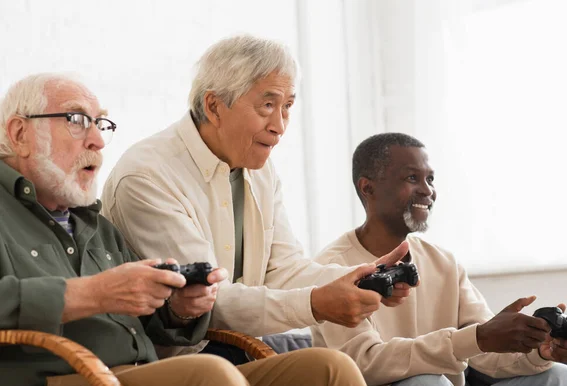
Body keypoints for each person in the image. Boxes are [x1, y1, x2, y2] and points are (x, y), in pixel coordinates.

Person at [0, 73, 375, 386]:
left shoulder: (95, 225)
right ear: (20, 133)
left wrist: (179, 308)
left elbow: (151, 323)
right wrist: (91, 293)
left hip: (138, 376)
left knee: (329, 370)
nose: (98, 139)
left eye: (102, 123)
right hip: (54, 385)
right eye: (78, 120)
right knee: (210, 374)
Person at [100, 34, 412, 346]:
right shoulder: (147, 176)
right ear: (214, 106)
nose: (280, 125)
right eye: (267, 105)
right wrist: (316, 303)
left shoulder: (259, 170)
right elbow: (210, 299)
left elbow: (284, 271)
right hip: (178, 361)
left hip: (241, 346)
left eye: (287, 106)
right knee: (332, 366)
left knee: (348, 364)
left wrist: (362, 278)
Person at [310, 132, 567, 386]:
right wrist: (475, 338)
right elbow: (365, 363)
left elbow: (485, 353)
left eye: (430, 179)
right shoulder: (332, 268)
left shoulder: (445, 263)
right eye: (412, 178)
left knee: (560, 378)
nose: (427, 191)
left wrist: (539, 351)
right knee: (427, 384)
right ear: (368, 187)